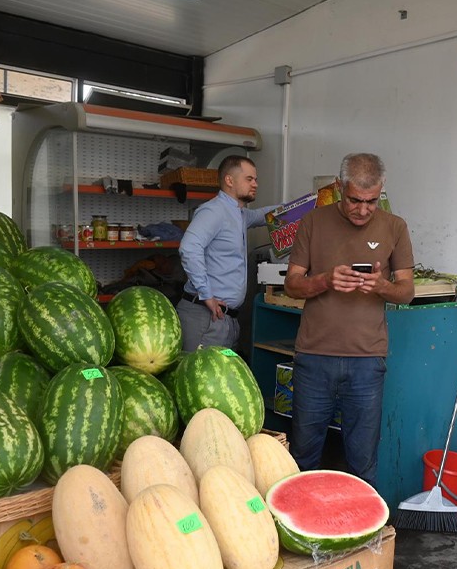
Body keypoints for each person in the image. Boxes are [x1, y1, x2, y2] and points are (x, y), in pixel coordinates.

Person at [283, 153, 415, 486]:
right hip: (314, 357)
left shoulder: (395, 226)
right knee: (303, 455)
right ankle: (302, 533)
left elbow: (407, 292)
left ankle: (362, 536)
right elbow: (292, 285)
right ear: (340, 187)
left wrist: (382, 285)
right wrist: (325, 280)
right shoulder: (313, 222)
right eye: (355, 200)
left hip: (367, 362)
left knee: (362, 460)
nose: (363, 209)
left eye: (372, 202)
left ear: (381, 190)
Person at [177, 155, 275, 352]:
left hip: (225, 320)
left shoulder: (239, 214)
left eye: (256, 179)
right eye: (249, 179)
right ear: (229, 180)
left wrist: (308, 204)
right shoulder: (213, 211)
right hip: (206, 317)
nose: (255, 184)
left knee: (221, 381)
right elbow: (189, 247)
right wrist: (207, 294)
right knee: (200, 380)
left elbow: (265, 215)